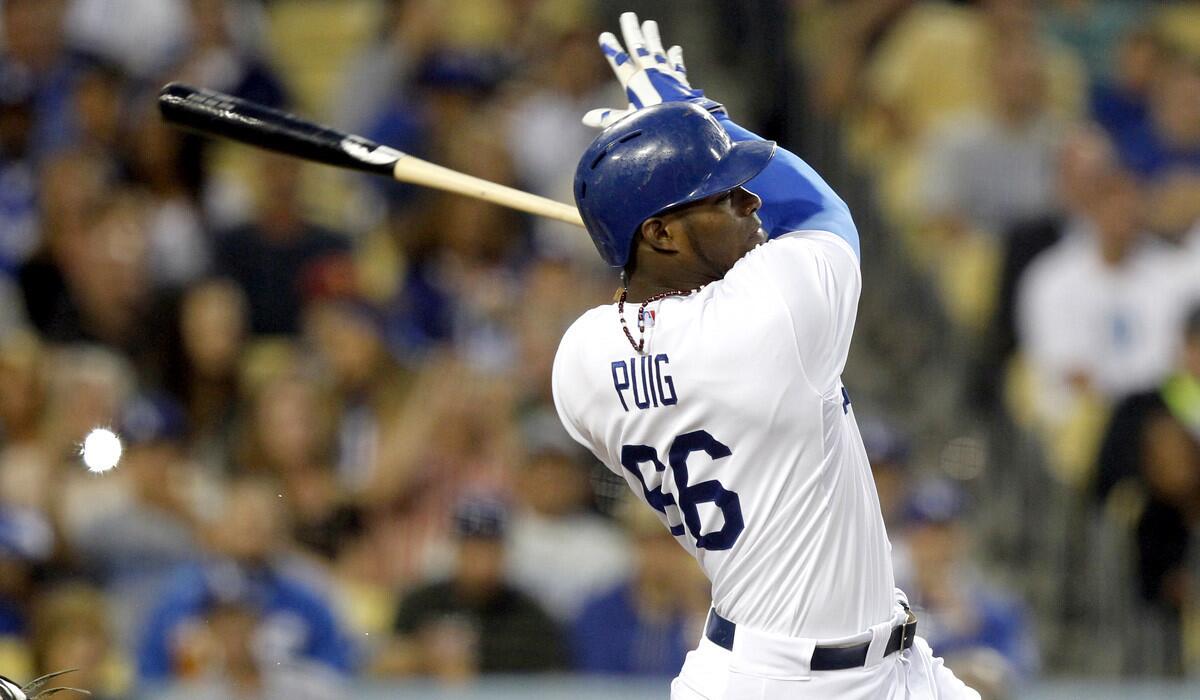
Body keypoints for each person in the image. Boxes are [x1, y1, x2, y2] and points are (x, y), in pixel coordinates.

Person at [552, 13, 979, 699]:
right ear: (661, 234)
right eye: (723, 195)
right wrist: (691, 110)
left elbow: (656, 307)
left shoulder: (578, 363)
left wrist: (672, 196)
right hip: (792, 683)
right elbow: (816, 210)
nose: (751, 200)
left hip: (829, 663)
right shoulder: (770, 317)